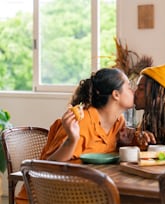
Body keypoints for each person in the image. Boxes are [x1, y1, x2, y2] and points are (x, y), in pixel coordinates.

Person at [16, 68, 135, 203]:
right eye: (129, 87)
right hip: (42, 198)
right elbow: (45, 168)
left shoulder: (118, 123)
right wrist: (72, 140)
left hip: (83, 195)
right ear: (116, 94)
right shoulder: (80, 123)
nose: (133, 91)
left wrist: (123, 145)